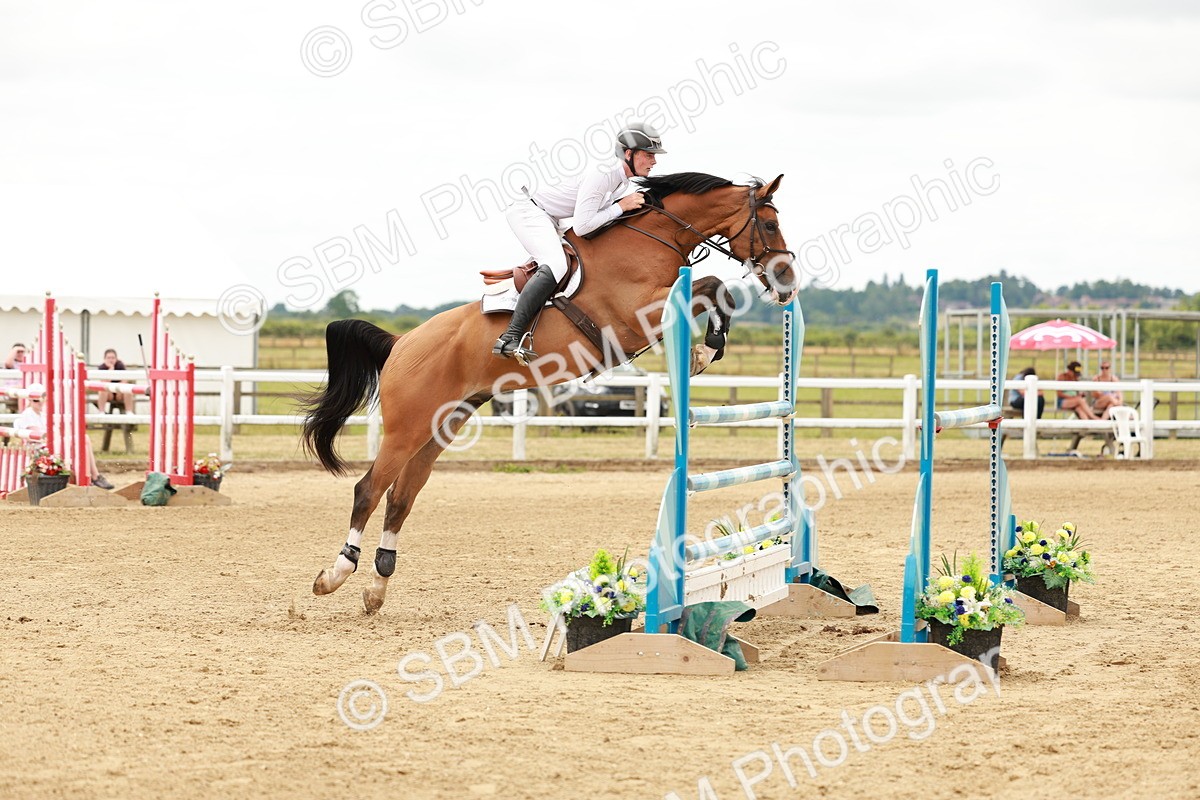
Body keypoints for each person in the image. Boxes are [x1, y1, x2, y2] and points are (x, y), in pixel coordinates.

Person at [492, 122, 667, 359]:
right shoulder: (604, 175)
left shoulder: (621, 181)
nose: (654, 161)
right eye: (649, 155)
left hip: (552, 217)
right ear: (629, 154)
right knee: (556, 265)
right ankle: (509, 337)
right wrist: (620, 207)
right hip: (530, 212)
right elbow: (584, 227)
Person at [13, 383, 114, 490]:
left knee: (84, 439)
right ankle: (94, 477)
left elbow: (52, 433)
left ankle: (94, 476)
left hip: (49, 445)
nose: (40, 402)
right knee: (83, 439)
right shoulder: (28, 414)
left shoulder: (42, 414)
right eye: (36, 400)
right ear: (30, 400)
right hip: (41, 449)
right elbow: (39, 435)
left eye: (42, 399)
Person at [96, 348, 136, 414]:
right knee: (102, 390)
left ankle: (129, 412)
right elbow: (103, 383)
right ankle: (101, 412)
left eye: (113, 358)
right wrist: (111, 369)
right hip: (108, 393)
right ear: (104, 359)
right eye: (108, 358)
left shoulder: (120, 365)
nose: (111, 360)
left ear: (116, 358)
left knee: (128, 390)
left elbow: (125, 380)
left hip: (119, 392)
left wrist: (117, 389)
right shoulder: (101, 367)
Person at [2, 343, 26, 414]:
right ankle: (22, 415)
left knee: (24, 391)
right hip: (10, 391)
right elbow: (8, 364)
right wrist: (15, 350)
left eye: (22, 352)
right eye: (18, 352)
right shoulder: (11, 363)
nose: (20, 354)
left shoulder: (28, 362)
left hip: (23, 390)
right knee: (22, 391)